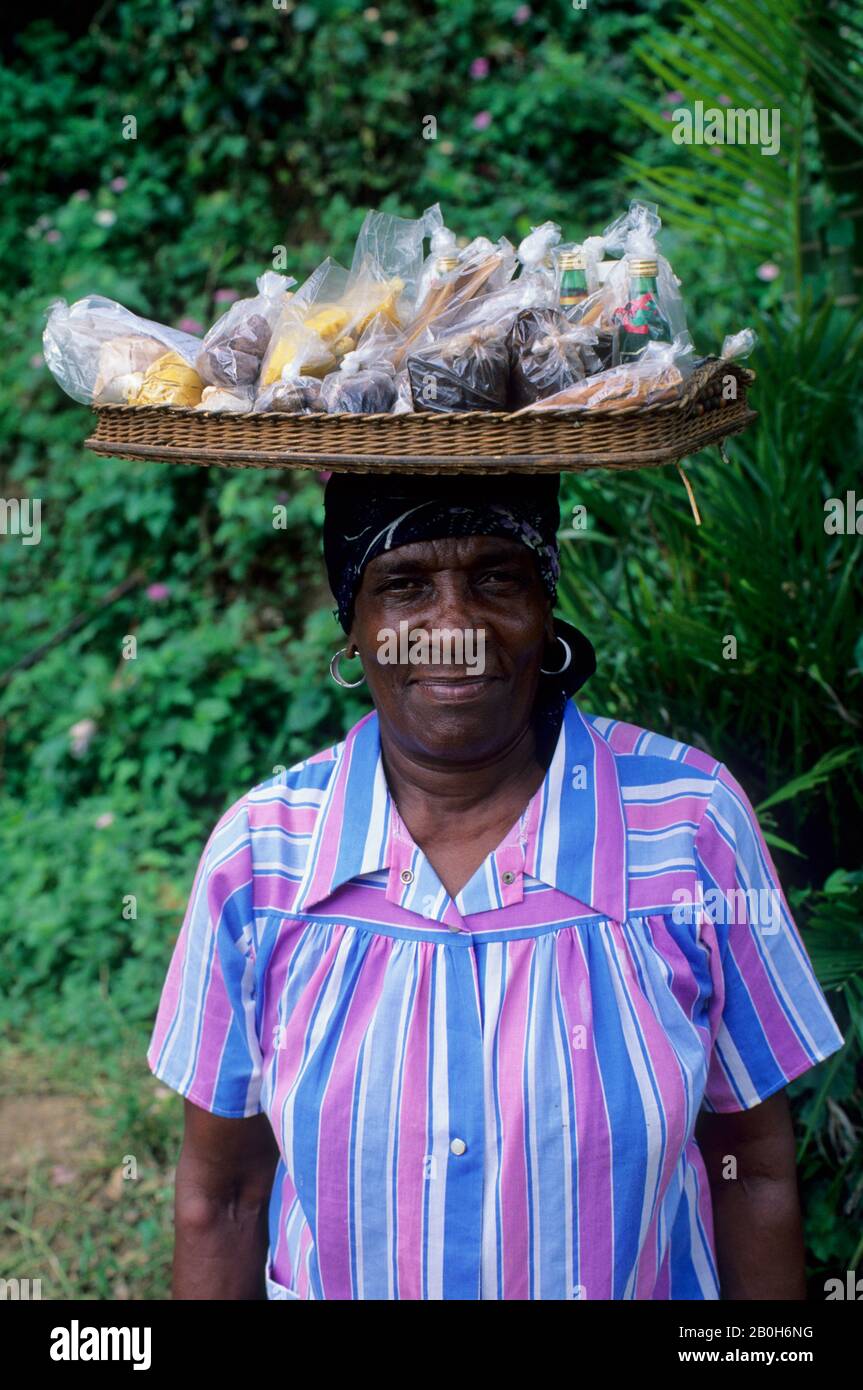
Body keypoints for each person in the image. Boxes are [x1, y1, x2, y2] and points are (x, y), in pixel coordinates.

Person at [147, 470, 845, 1301]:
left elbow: (751, 1171)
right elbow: (221, 1200)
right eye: (402, 585)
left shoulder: (688, 824)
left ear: (546, 610)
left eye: (496, 579)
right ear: (353, 627)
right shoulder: (263, 857)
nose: (452, 626)